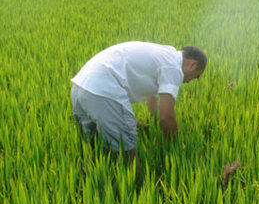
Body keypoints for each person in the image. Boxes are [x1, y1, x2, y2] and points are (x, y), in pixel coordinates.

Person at [71, 41, 207, 163]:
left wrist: (153, 124)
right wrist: (175, 149)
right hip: (104, 91)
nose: (188, 81)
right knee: (128, 151)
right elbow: (166, 117)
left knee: (94, 145)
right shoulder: (173, 68)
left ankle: (100, 180)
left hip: (80, 87)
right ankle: (139, 188)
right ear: (193, 64)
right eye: (195, 76)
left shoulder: (164, 56)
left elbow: (152, 104)